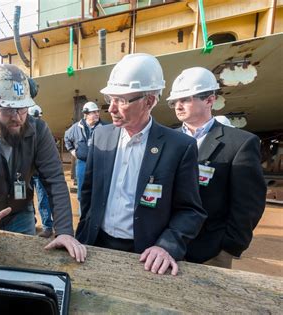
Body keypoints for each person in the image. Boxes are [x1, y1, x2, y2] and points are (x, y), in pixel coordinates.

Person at [75, 53, 207, 275]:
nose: (112, 109)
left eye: (122, 100)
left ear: (149, 101)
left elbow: (190, 211)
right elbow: (87, 193)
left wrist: (166, 246)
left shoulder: (179, 146)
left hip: (146, 256)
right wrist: (84, 233)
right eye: (110, 99)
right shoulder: (101, 136)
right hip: (95, 244)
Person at [0, 64, 86, 262]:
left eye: (22, 108)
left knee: (22, 267)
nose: (17, 118)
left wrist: (63, 231)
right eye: (8, 109)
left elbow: (54, 181)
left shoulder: (39, 131)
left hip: (21, 214)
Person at [168, 67, 266, 268]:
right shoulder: (167, 139)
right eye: (174, 101)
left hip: (210, 251)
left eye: (185, 99)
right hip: (165, 246)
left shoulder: (240, 143)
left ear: (210, 100)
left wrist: (229, 246)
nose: (178, 106)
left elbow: (248, 204)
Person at [64, 101, 105, 216]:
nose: (97, 114)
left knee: (98, 191)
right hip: (82, 163)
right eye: (94, 112)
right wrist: (73, 151)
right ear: (86, 114)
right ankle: (83, 218)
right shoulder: (76, 127)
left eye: (98, 112)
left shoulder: (105, 127)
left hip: (99, 164)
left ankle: (96, 218)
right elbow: (67, 137)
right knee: (82, 192)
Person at [28, 105, 54, 238]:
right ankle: (30, 223)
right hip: (26, 174)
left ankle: (47, 227)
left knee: (43, 200)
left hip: (39, 174)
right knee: (26, 199)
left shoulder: (43, 132)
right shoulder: (21, 132)